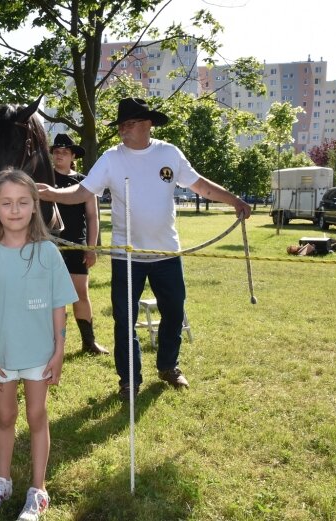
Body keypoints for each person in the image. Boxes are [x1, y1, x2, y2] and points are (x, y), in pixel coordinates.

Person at [38, 98, 252, 398]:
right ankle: (129, 380)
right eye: (121, 124)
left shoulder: (169, 153)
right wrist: (53, 193)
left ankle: (168, 366)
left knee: (174, 313)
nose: (124, 129)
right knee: (124, 319)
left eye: (131, 123)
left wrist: (235, 201)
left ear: (148, 124)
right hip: (127, 257)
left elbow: (199, 185)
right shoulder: (111, 159)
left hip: (166, 254)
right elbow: (82, 192)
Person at [0, 169, 77, 521]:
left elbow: (60, 306)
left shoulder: (49, 254)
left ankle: (38, 490)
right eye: (7, 203)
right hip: (2, 357)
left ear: (34, 207)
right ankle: (3, 479)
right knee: (6, 416)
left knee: (37, 416)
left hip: (40, 354)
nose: (15, 209)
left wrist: (60, 349)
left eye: (23, 202)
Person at [50, 133, 109, 355]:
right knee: (53, 298)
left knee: (80, 294)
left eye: (65, 152)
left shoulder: (85, 182)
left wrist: (91, 248)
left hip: (76, 244)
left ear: (73, 155)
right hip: (50, 246)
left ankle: (89, 342)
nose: (60, 156)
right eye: (56, 152)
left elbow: (93, 217)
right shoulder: (45, 181)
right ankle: (54, 346)